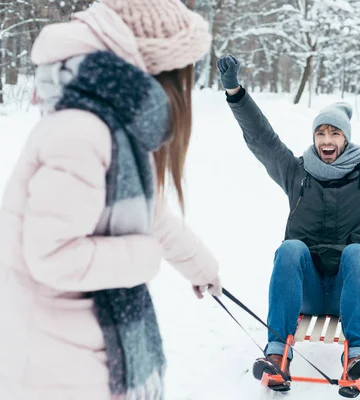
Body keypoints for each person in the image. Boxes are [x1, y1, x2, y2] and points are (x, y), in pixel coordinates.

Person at [0, 1, 222, 399]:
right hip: (56, 366)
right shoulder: (83, 132)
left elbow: (152, 216)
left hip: (82, 351)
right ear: (158, 71)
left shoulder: (112, 126)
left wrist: (201, 268)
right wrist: (144, 256)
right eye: (185, 73)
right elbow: (51, 254)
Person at [217, 50, 360, 392]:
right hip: (305, 289)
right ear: (314, 139)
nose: (327, 140)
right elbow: (262, 140)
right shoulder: (297, 173)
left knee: (357, 252)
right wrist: (235, 92)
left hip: (348, 288)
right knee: (290, 248)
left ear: (345, 138)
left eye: (334, 133)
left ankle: (356, 356)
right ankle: (277, 354)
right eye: (320, 133)